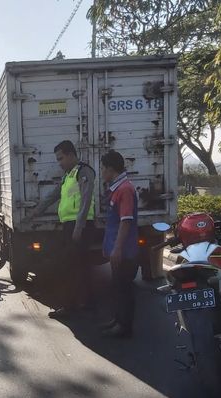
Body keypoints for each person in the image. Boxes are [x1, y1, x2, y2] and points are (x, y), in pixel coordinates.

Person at [26, 140, 95, 319]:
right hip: (70, 226)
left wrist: (78, 228)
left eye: (61, 158)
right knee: (78, 267)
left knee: (68, 267)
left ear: (71, 155)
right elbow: (53, 195)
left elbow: (86, 201)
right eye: (58, 159)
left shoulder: (84, 171)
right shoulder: (68, 175)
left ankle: (69, 306)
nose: (59, 162)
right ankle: (83, 303)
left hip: (80, 226)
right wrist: (35, 212)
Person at [99, 150, 139, 336]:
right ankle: (117, 319)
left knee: (124, 289)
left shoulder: (125, 190)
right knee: (117, 287)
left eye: (103, 169)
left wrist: (117, 248)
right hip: (120, 249)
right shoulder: (118, 189)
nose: (102, 173)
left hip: (125, 251)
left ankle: (125, 327)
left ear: (110, 169)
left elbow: (126, 221)